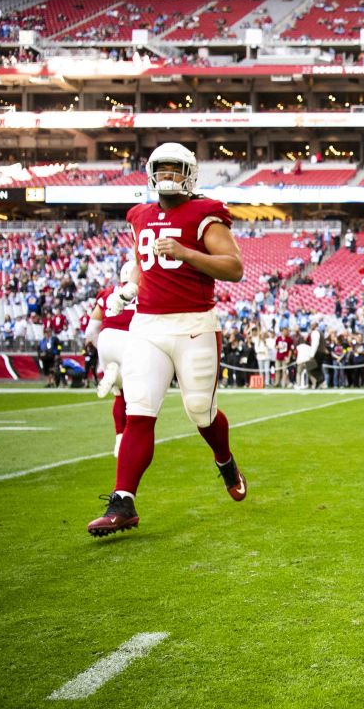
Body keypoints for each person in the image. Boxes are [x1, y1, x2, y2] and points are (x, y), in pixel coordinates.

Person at [87, 142, 249, 537]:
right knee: (139, 409)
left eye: (175, 169)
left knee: (200, 412)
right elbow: (147, 263)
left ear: (190, 174)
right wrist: (130, 288)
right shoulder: (140, 215)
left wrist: (185, 252)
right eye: (162, 168)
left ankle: (225, 459)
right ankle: (122, 501)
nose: (168, 176)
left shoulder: (205, 213)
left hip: (194, 324)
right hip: (147, 326)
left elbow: (234, 267)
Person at [85, 261, 138, 458]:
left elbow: (90, 330)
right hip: (130, 340)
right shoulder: (144, 291)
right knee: (134, 397)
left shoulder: (107, 293)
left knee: (119, 395)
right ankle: (127, 443)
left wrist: (101, 348)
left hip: (107, 339)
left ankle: (118, 440)